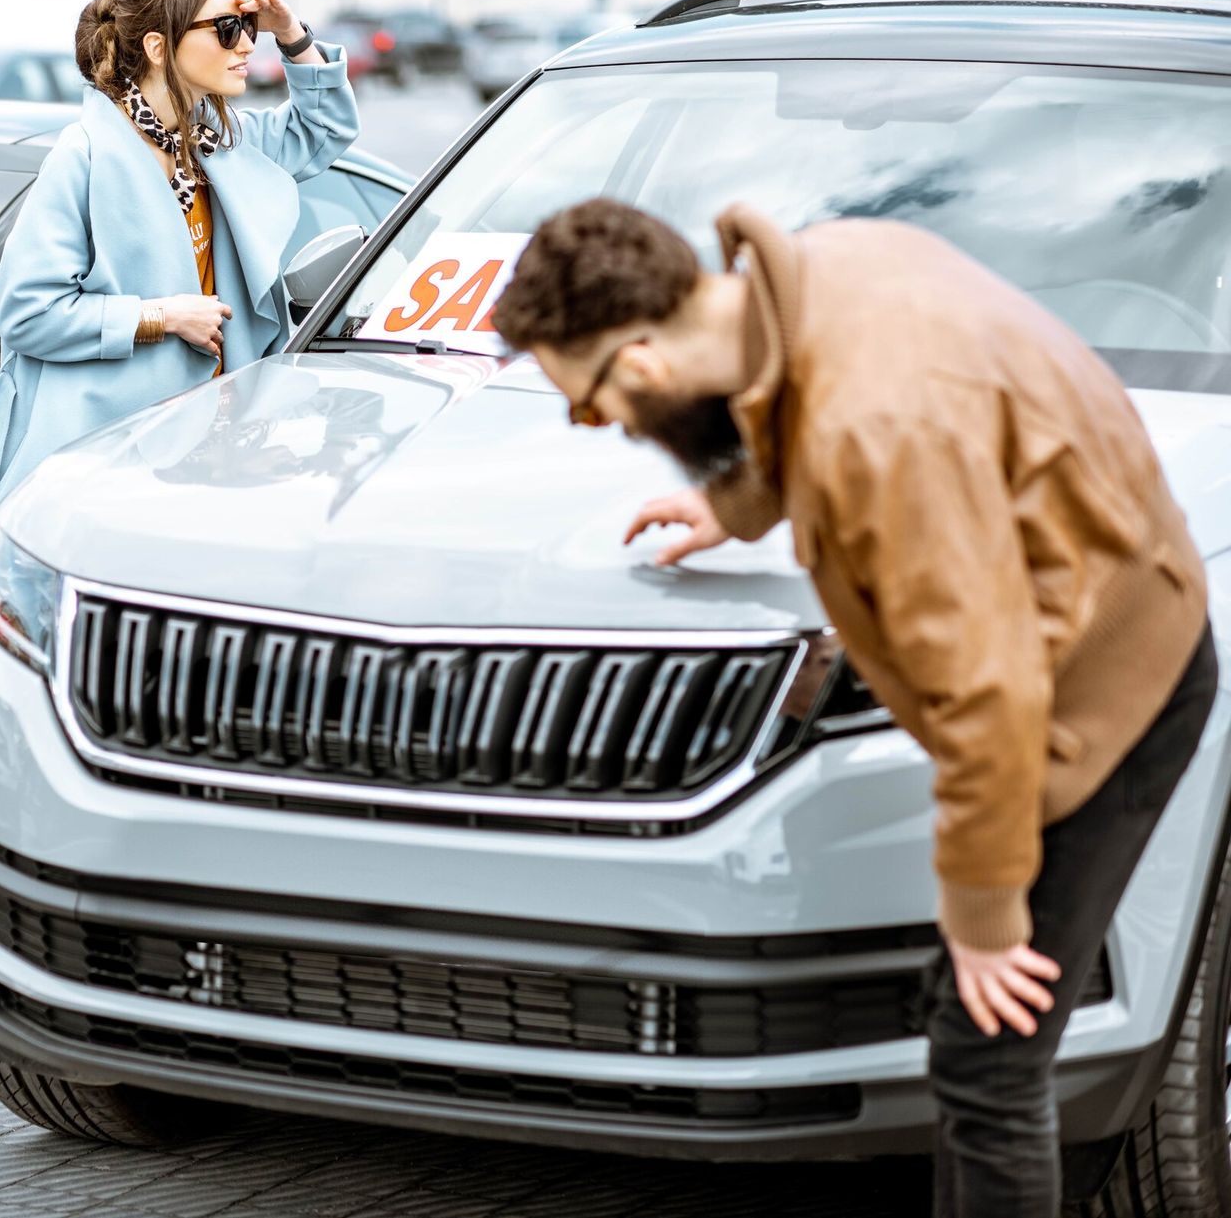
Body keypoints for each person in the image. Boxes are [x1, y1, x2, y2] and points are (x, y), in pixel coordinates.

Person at [490, 198, 1217, 1217]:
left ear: (643, 358)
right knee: (971, 1036)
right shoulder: (822, 270)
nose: (598, 424)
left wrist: (985, 922)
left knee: (990, 1054)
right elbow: (790, 397)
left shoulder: (876, 434)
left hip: (1107, 691)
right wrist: (735, 504)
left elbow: (988, 700)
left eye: (585, 400)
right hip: (1106, 605)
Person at [0, 0, 358, 1077]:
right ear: (161, 47)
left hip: (212, 462)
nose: (246, 49)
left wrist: (298, 36)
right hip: (94, 460)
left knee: (182, 721)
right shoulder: (88, 152)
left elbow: (326, 141)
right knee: (42, 717)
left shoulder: (223, 140)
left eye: (248, 31)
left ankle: (174, 958)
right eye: (228, 31)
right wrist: (157, 316)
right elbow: (24, 314)